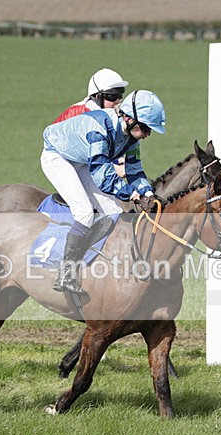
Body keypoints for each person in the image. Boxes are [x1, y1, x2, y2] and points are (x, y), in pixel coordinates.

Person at [41, 89, 167, 294]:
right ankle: (65, 274)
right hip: (58, 157)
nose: (147, 134)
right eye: (145, 127)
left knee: (113, 212)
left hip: (82, 159)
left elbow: (134, 170)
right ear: (128, 118)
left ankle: (91, 261)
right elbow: (101, 174)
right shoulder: (99, 128)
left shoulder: (132, 139)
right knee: (84, 212)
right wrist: (132, 195)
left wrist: (149, 194)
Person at [53, 68, 129, 123]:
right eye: (112, 97)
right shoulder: (74, 114)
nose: (117, 101)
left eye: (120, 96)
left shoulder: (121, 115)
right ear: (97, 96)